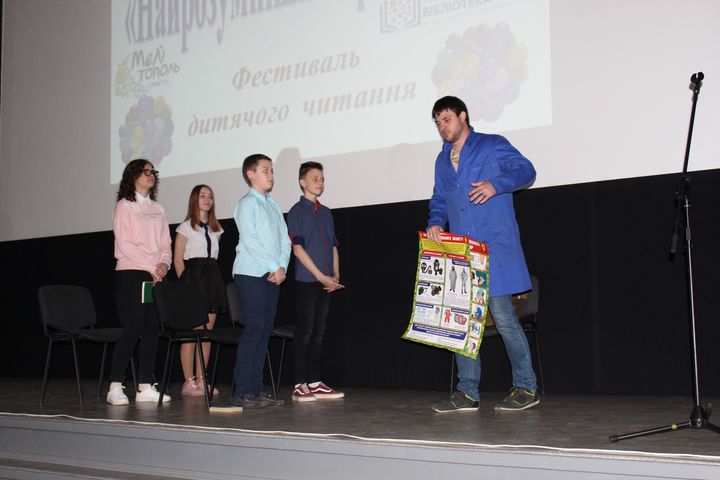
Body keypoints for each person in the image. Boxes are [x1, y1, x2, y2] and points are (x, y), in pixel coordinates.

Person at [426, 96, 539, 412]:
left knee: (503, 319)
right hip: (462, 253)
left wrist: (496, 184)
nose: (442, 127)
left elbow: (526, 170)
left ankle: (526, 387)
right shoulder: (442, 160)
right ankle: (467, 393)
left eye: (446, 119)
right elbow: (439, 198)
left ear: (463, 116)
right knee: (462, 323)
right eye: (437, 122)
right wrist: (436, 222)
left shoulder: (492, 145)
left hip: (494, 248)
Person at [106, 159, 172, 406]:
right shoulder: (124, 206)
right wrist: (152, 267)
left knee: (151, 329)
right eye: (145, 171)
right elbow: (125, 244)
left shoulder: (158, 208)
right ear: (132, 176)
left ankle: (145, 386)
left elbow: (165, 243)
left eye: (153, 171)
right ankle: (115, 386)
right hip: (132, 272)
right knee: (132, 327)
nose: (150, 174)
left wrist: (164, 264)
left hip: (154, 275)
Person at [231, 154, 291, 408]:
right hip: (250, 273)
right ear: (250, 174)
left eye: (272, 170)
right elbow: (251, 240)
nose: (270, 174)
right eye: (265, 170)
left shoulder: (273, 205)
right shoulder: (246, 204)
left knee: (265, 330)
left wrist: (282, 267)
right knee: (254, 328)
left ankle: (255, 390)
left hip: (272, 274)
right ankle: (242, 390)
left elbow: (285, 240)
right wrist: (273, 266)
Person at [286, 161, 345, 402]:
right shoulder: (296, 212)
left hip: (326, 281)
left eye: (321, 178)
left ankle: (315, 381)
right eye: (314, 178)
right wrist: (320, 276)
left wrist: (335, 275)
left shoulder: (326, 212)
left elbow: (333, 246)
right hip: (307, 280)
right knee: (306, 331)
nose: (319, 182)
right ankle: (299, 383)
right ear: (302, 182)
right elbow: (297, 249)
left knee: (319, 332)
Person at [173, 184, 227, 397]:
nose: (207, 199)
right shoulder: (185, 227)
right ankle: (188, 381)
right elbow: (178, 261)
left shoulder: (216, 228)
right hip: (193, 279)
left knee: (206, 335)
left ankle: (202, 379)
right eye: (202, 195)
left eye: (210, 196)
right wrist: (186, 290)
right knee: (192, 334)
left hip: (212, 279)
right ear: (194, 199)